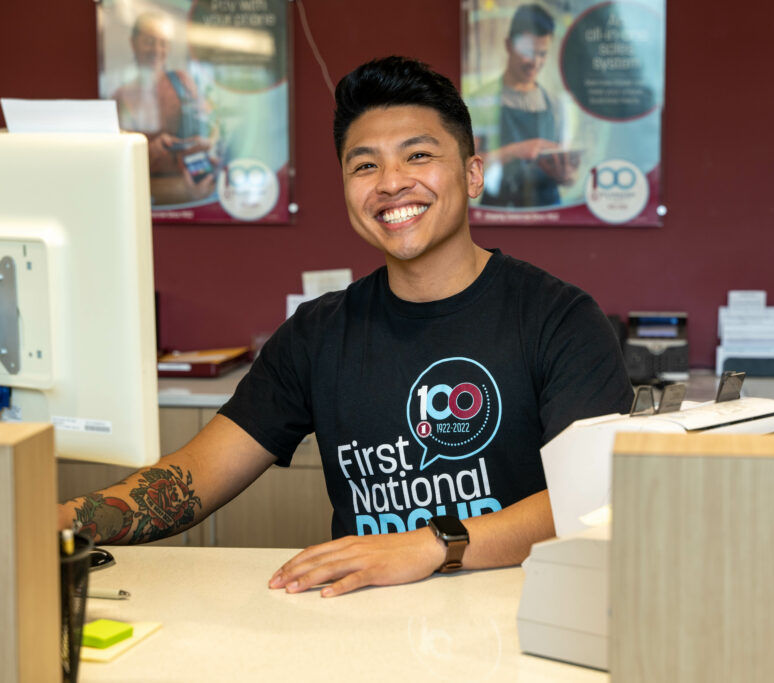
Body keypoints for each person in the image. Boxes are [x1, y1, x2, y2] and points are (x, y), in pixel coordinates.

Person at [60, 56, 633, 597]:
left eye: (417, 156)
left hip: (520, 618)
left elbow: (589, 498)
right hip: (360, 627)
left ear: (473, 173)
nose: (389, 183)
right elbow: (191, 478)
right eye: (365, 165)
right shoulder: (318, 333)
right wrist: (53, 524)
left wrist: (429, 546)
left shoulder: (559, 318)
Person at [465, 4, 579, 208]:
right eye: (528, 52)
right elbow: (465, 169)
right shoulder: (480, 100)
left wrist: (567, 176)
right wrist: (517, 151)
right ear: (509, 45)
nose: (535, 62)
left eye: (542, 54)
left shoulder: (557, 105)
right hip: (499, 212)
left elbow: (569, 175)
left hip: (549, 210)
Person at [111, 11, 218, 205]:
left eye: (163, 43)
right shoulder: (120, 97)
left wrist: (202, 140)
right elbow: (116, 160)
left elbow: (208, 129)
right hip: (146, 192)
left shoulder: (182, 82)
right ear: (133, 43)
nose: (157, 50)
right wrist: (151, 150)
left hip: (192, 186)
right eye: (149, 41)